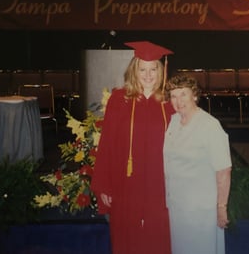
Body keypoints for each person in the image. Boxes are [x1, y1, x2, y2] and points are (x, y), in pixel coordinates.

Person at [91, 41, 175, 254]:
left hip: (162, 184)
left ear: (161, 70)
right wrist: (104, 185)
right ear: (134, 70)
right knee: (127, 236)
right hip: (126, 182)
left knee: (159, 236)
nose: (148, 75)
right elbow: (107, 143)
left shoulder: (170, 102)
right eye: (142, 69)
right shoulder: (119, 99)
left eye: (153, 69)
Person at [163, 74, 232, 254]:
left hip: (201, 209)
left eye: (183, 94)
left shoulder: (209, 126)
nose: (178, 101)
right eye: (173, 96)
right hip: (178, 205)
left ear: (194, 95)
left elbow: (224, 170)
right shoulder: (174, 121)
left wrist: (221, 207)